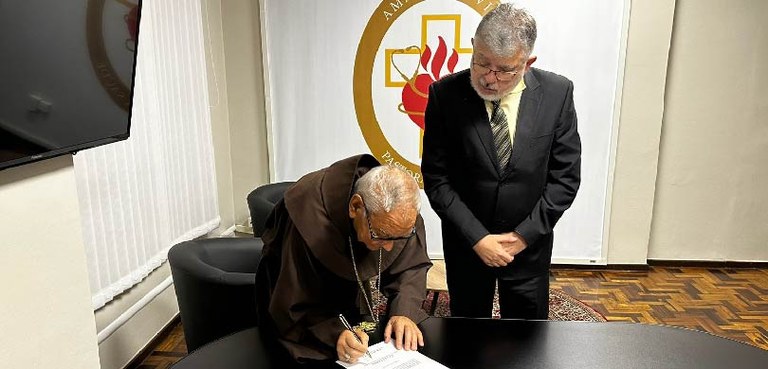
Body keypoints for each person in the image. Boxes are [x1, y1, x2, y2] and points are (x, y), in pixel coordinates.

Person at [421, 3, 581, 320]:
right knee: (467, 336)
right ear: (473, 47)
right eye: (481, 63)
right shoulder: (445, 95)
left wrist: (523, 237)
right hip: (468, 244)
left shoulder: (557, 93)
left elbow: (565, 178)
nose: (490, 79)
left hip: (528, 246)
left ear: (527, 63)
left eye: (504, 70)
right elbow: (437, 180)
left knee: (527, 339)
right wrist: (477, 238)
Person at [255, 154, 432, 364]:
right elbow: (292, 303)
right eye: (381, 235)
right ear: (355, 207)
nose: (390, 246)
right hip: (299, 302)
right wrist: (333, 334)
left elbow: (410, 266)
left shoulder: (400, 211)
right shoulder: (308, 216)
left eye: (399, 237)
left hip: (349, 302)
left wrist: (404, 312)